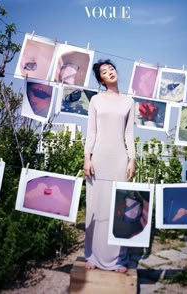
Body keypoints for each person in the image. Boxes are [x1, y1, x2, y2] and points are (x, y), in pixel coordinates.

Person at [83, 59, 135, 273]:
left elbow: (129, 134)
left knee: (119, 208)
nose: (110, 72)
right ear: (101, 79)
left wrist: (132, 158)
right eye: (104, 71)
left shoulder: (129, 101)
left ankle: (119, 258)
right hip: (99, 159)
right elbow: (92, 132)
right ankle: (93, 255)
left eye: (111, 68)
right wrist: (87, 157)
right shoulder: (95, 100)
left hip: (119, 159)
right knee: (96, 207)